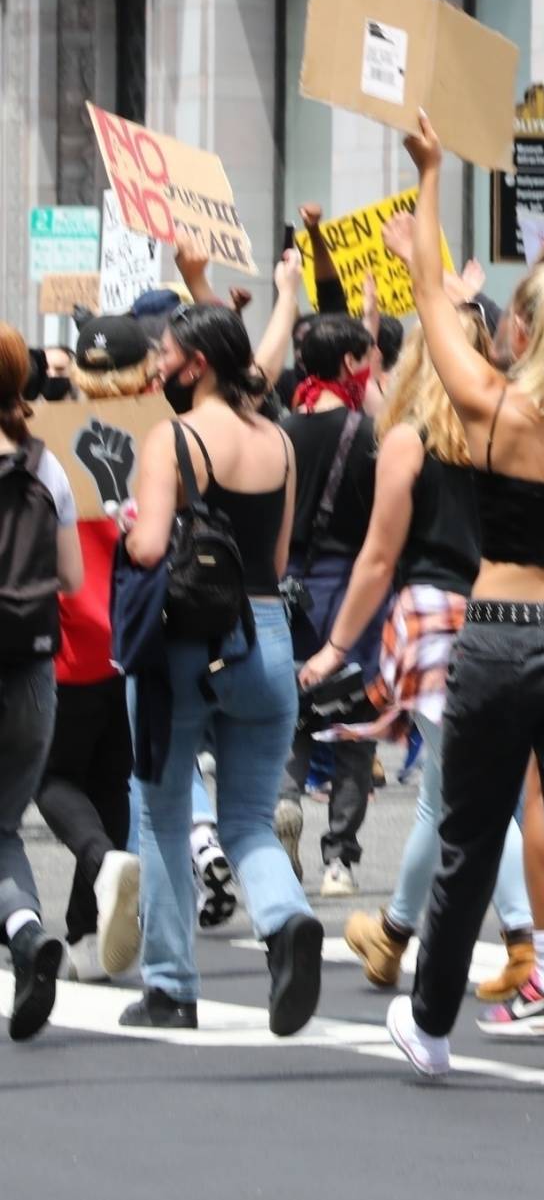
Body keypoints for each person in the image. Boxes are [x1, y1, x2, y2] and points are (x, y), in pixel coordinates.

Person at [384, 112, 544, 1111]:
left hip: (498, 634)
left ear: (528, 327)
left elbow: (431, 305)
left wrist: (430, 179)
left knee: (469, 831)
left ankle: (434, 1023)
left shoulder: (492, 406)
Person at [300, 316, 533, 1001]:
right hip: (502, 610)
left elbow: (377, 558)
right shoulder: (502, 431)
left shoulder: (409, 441)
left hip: (432, 617)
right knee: (443, 789)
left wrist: (336, 647)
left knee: (467, 794)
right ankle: (395, 933)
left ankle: (522, 940)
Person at [123, 306, 323, 1034]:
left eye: (164, 353)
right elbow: (274, 562)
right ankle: (286, 918)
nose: (156, 366)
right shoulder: (279, 440)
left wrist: (133, 524)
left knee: (164, 810)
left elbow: (148, 549)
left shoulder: (171, 437)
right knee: (246, 819)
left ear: (197, 363)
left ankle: (171, 987)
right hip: (267, 636)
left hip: (186, 642)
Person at [36, 316, 148, 983]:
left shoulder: (51, 439)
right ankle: (86, 932)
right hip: (140, 633)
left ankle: (102, 865)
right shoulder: (163, 433)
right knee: (111, 780)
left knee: (52, 776)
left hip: (74, 632)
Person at [278, 312, 383, 895]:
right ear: (348, 364)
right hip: (352, 587)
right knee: (353, 723)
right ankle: (339, 858)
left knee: (291, 712)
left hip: (291, 589)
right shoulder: (368, 434)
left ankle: (284, 803)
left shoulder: (281, 430)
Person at [0, 322, 83, 1040]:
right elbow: (74, 576)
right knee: (3, 827)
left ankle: (25, 941)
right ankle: (27, 937)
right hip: (31, 667)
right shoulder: (43, 465)